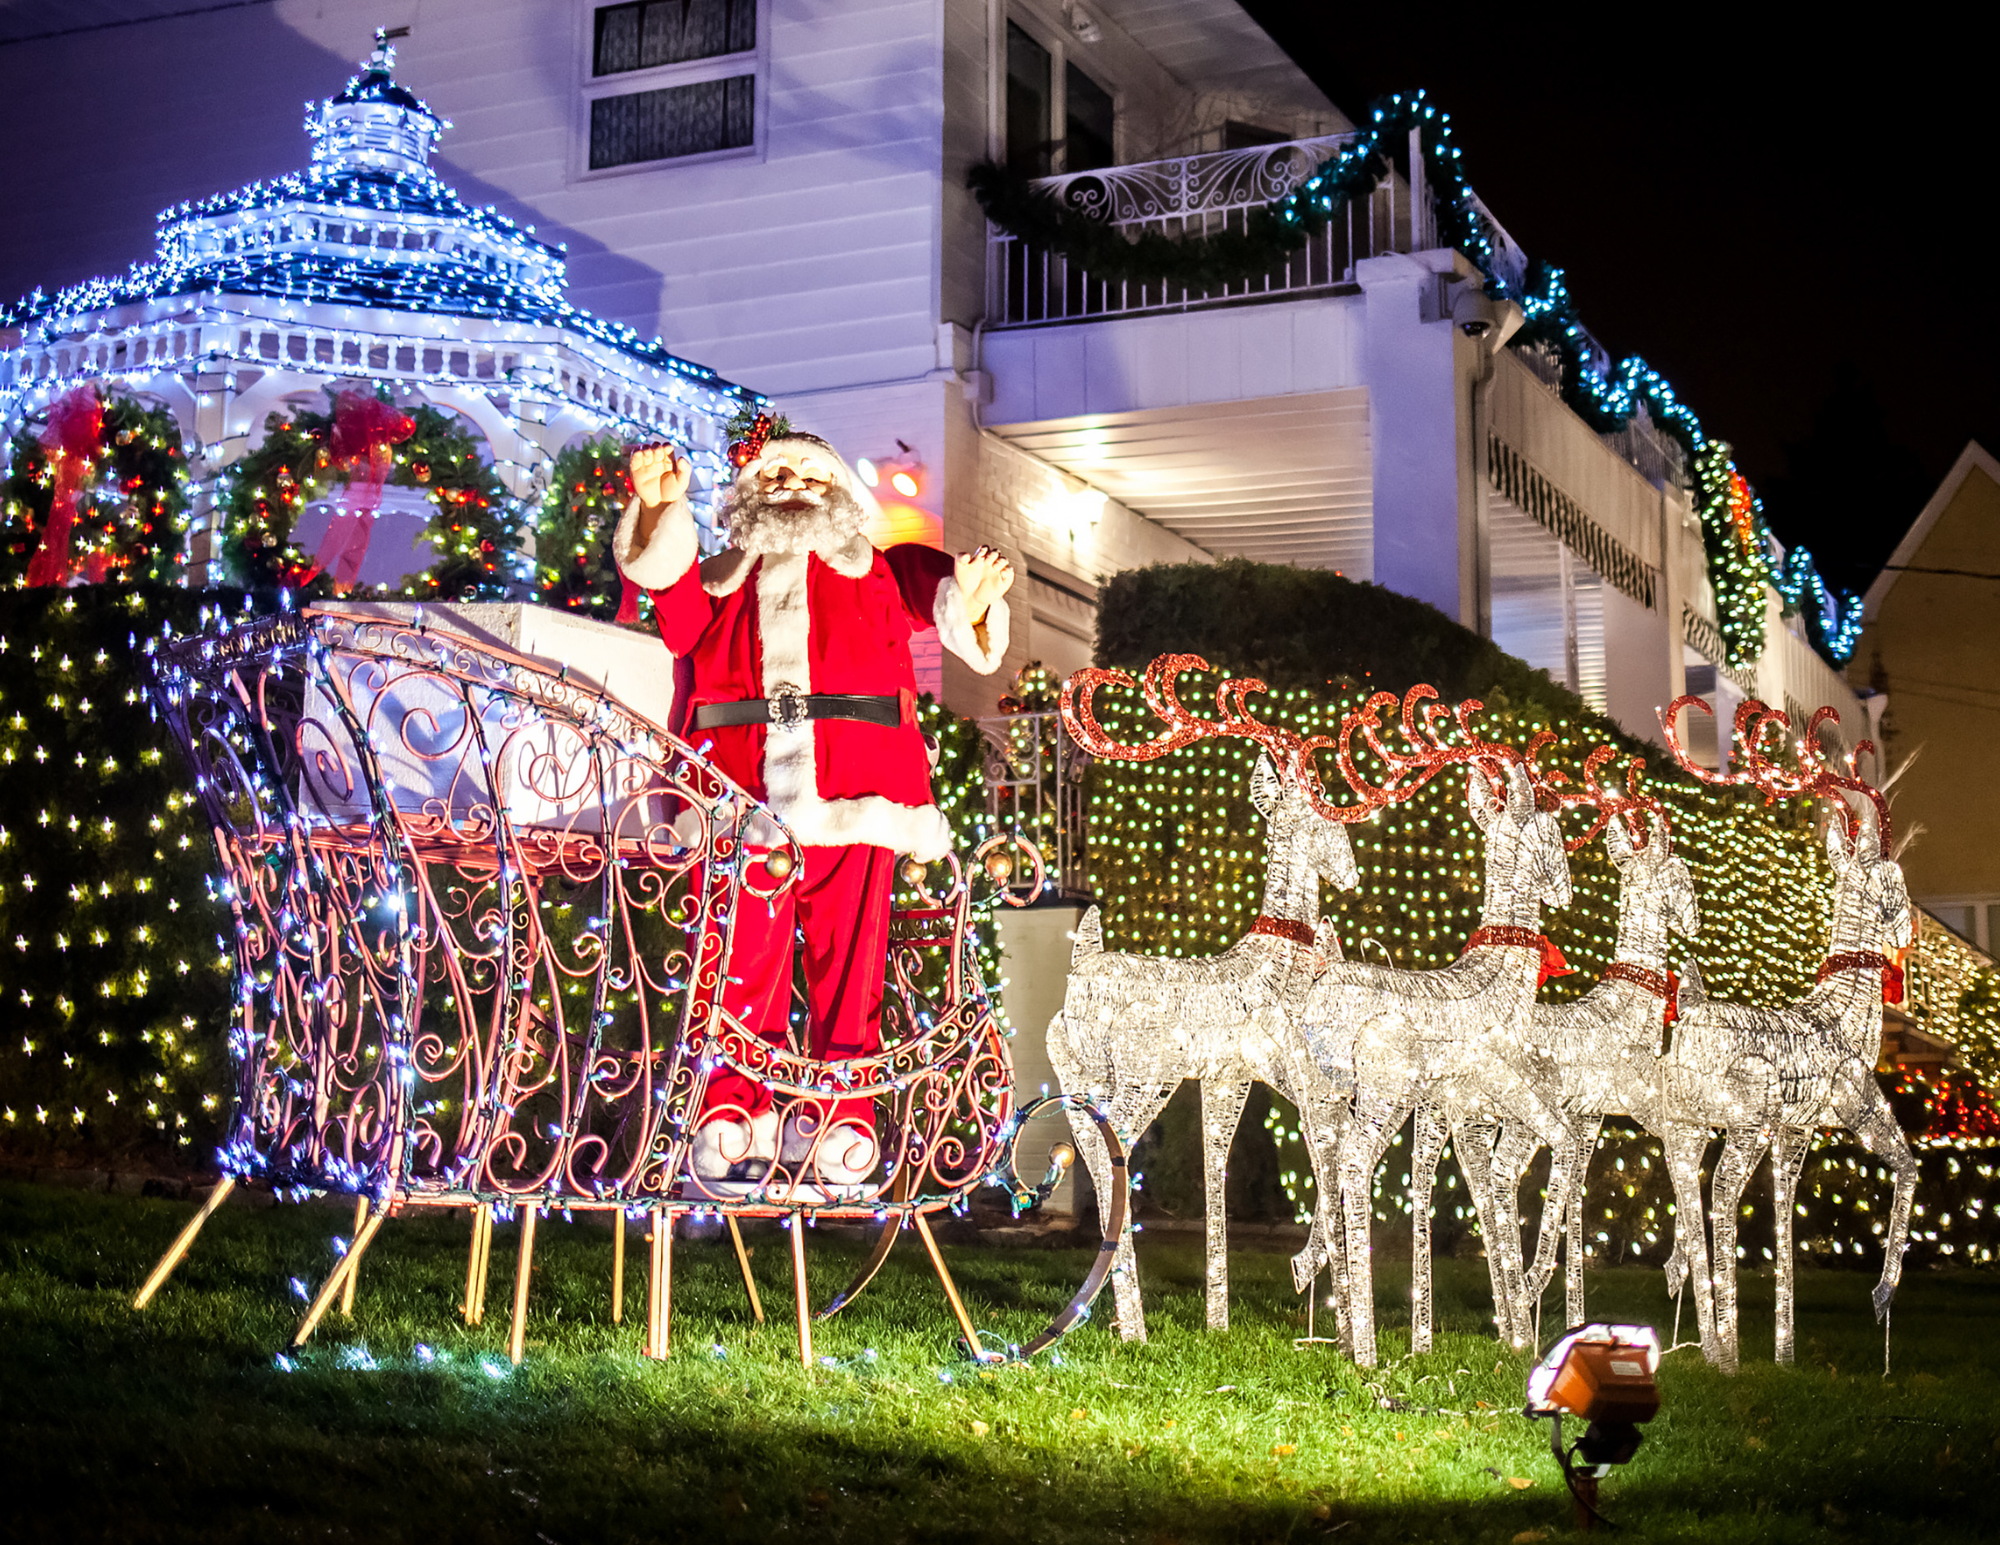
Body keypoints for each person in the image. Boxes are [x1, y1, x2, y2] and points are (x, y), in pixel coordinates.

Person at [614, 426, 1013, 1184]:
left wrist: (975, 596)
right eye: (777, 471)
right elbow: (675, 617)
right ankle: (734, 1108)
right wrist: (660, 515)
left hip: (857, 790)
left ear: (837, 489)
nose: (792, 480)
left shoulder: (880, 573)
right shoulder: (720, 578)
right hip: (740, 797)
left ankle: (839, 1115)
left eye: (807, 471)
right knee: (742, 961)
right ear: (750, 493)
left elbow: (945, 595)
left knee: (850, 963)